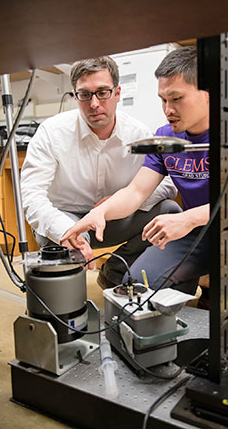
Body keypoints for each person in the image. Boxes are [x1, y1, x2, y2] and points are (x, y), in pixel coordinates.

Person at [61, 46, 228, 317]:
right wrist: (99, 213)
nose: (168, 109)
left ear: (209, 93)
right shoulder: (166, 138)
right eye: (163, 100)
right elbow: (135, 192)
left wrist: (189, 217)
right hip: (194, 233)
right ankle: (202, 279)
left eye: (176, 98)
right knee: (137, 290)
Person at [20, 56, 180, 288]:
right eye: (85, 94)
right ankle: (66, 292)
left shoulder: (138, 133)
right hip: (69, 217)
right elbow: (31, 196)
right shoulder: (51, 133)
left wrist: (118, 201)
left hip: (115, 219)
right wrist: (66, 230)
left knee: (169, 211)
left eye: (103, 92)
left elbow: (167, 184)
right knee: (50, 231)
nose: (94, 103)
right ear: (75, 95)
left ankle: (114, 273)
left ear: (117, 93)